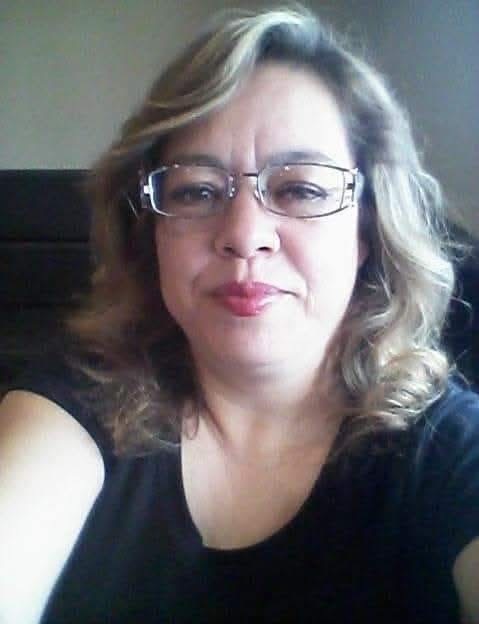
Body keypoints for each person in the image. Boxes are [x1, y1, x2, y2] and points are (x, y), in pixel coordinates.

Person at [1, 5, 478, 623]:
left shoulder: (450, 450)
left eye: (300, 189)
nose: (245, 235)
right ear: (151, 234)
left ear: (365, 231)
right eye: (198, 191)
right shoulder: (71, 407)